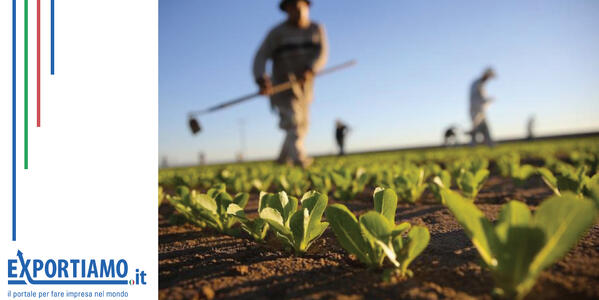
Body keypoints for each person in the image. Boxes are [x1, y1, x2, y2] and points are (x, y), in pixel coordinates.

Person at [253, 0, 328, 168]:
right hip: (282, 86)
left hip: (304, 88)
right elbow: (260, 56)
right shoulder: (276, 33)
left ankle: (281, 160)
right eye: (292, 7)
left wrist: (311, 69)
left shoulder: (316, 29)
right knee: (293, 121)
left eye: (300, 6)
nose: (297, 10)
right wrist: (260, 78)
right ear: (286, 10)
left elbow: (321, 53)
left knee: (302, 125)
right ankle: (299, 160)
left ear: (307, 7)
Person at [469, 67, 496, 147]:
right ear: (486, 75)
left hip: (481, 111)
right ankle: (473, 146)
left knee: (485, 128)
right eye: (489, 77)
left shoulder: (481, 84)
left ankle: (490, 145)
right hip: (475, 111)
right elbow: (476, 98)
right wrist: (487, 100)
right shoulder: (477, 84)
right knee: (476, 129)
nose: (489, 79)